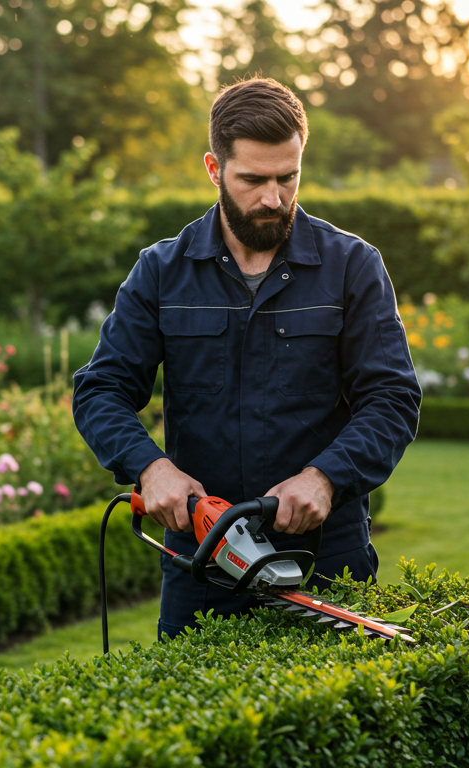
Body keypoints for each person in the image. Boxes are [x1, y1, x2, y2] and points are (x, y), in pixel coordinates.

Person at [71, 77, 422, 640]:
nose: (273, 198)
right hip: (205, 556)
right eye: (253, 179)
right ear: (214, 169)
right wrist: (150, 466)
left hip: (326, 558)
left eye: (289, 177)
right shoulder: (162, 271)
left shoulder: (352, 266)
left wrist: (326, 479)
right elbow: (100, 389)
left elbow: (393, 399)